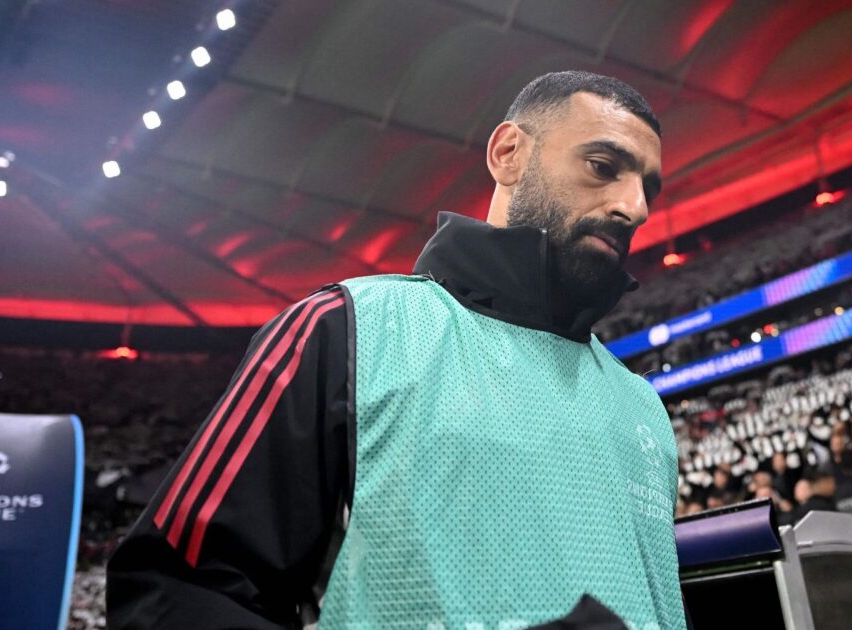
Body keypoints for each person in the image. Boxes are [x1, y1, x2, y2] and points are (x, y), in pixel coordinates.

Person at [107, 71, 684, 629]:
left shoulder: (644, 407)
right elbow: (179, 588)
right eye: (604, 167)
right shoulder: (343, 329)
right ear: (509, 153)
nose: (634, 207)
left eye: (648, 189)